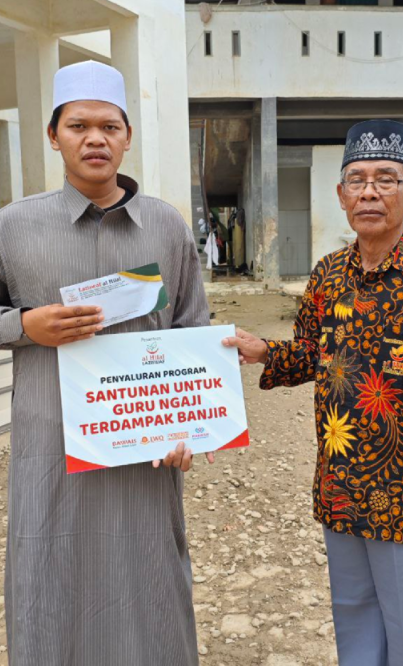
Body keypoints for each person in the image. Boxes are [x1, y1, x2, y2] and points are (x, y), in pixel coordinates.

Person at [223, 120, 403, 665]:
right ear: (340, 195)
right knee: (354, 622)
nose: (370, 191)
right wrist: (264, 352)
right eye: (357, 180)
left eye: (386, 179)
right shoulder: (327, 277)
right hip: (341, 489)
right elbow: (311, 354)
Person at [0, 61, 212, 664]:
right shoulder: (12, 227)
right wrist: (25, 325)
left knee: (148, 580)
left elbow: (191, 330)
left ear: (126, 136)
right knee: (50, 576)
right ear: (52, 135)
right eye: (78, 126)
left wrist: (187, 427)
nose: (95, 138)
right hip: (51, 451)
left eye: (109, 127)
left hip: (144, 449)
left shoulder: (166, 226)